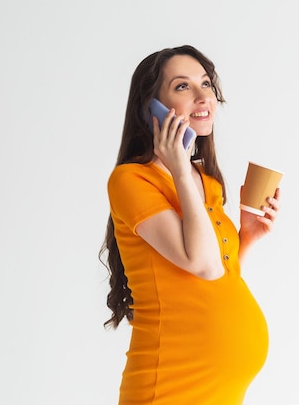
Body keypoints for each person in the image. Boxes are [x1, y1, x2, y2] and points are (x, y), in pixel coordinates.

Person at [99, 45, 281, 405]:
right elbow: (201, 263)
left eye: (206, 84)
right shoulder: (131, 180)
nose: (203, 96)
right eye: (182, 87)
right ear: (152, 108)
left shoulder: (207, 183)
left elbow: (214, 280)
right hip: (170, 388)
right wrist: (179, 167)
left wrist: (246, 238)